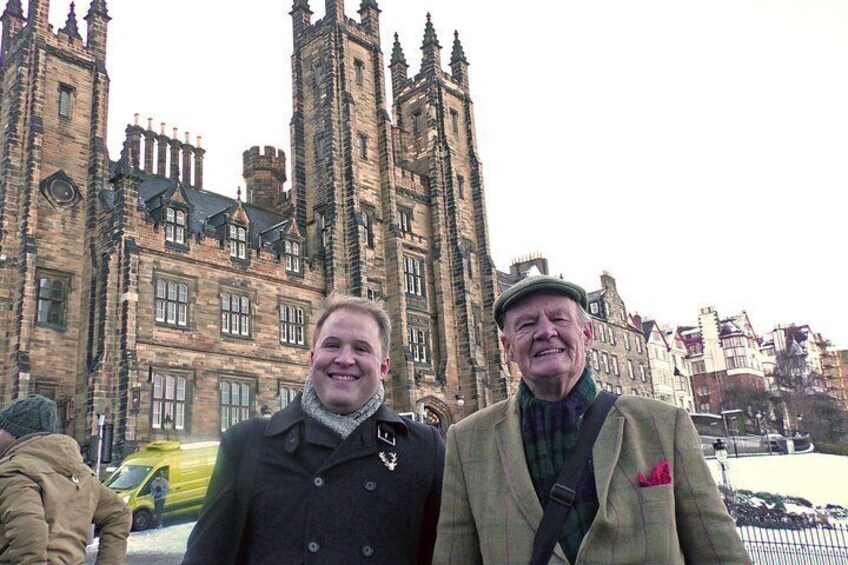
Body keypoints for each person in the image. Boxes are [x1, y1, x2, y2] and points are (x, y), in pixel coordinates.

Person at [433, 275, 750, 564]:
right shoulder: (467, 441)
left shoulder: (664, 425)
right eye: (527, 324)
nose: (546, 331)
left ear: (586, 334)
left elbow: (720, 553)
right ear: (507, 348)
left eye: (559, 318)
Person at [184, 294, 445, 564]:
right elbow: (207, 555)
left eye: (361, 349)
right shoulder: (246, 444)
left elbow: (447, 553)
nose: (345, 359)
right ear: (312, 358)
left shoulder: (424, 448)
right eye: (332, 345)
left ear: (383, 367)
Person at [0, 394, 132, 564]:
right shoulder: (82, 474)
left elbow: (29, 531)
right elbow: (120, 514)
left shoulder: (14, 471)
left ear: (16, 435)